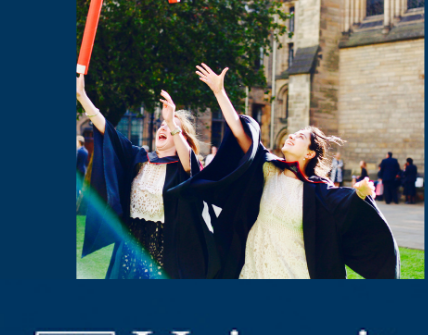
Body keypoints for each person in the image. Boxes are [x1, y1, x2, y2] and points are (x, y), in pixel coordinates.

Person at [177, 63, 398, 279]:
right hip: (254, 270)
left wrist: (361, 193)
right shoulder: (268, 170)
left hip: (293, 272)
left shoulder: (318, 191)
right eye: (293, 133)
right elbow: (238, 130)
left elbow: (348, 206)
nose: (291, 135)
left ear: (310, 153)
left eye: (300, 137)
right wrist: (219, 92)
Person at [75, 71, 214, 279]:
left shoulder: (181, 168)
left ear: (180, 138)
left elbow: (190, 165)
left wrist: (173, 123)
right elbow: (108, 131)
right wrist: (82, 97)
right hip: (130, 247)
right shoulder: (139, 158)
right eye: (162, 125)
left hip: (165, 252)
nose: (163, 128)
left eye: (170, 127)